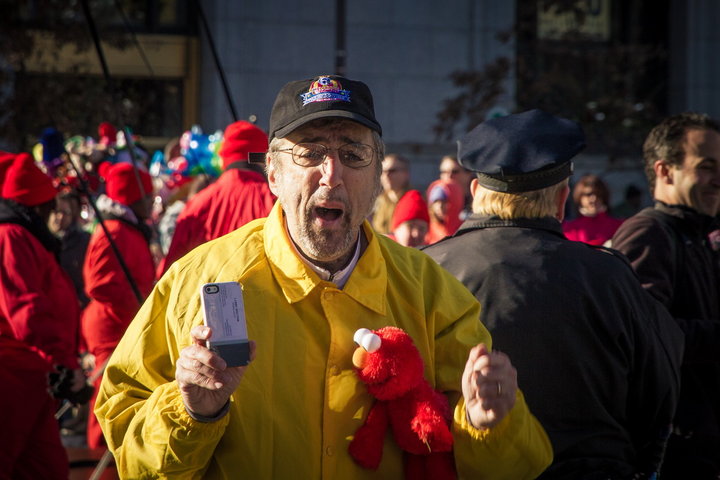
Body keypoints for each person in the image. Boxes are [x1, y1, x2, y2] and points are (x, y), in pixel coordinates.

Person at [95, 74, 552, 479]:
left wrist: (489, 424)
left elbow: (514, 466)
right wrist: (192, 410)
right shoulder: (195, 282)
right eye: (310, 154)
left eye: (353, 155)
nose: (330, 175)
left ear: (377, 178)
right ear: (272, 173)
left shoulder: (433, 294)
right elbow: (130, 451)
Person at [424, 110, 684, 479]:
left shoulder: (423, 271)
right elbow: (660, 396)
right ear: (563, 199)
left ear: (476, 191)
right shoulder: (610, 276)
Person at [611, 112, 720, 478]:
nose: (717, 180)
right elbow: (648, 338)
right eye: (706, 167)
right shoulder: (649, 233)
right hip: (675, 451)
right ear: (665, 170)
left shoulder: (699, 235)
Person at [0, 152, 85, 479]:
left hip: (33, 376)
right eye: (50, 206)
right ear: (36, 207)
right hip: (12, 376)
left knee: (45, 468)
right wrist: (63, 365)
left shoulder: (24, 238)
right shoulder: (13, 236)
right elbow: (27, 310)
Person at [82, 162, 156, 448]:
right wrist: (136, 310)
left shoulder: (129, 229)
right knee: (106, 404)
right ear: (133, 199)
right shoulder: (114, 230)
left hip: (122, 325)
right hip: (111, 327)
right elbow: (99, 283)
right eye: (148, 198)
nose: (152, 204)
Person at [159, 120, 276, 275]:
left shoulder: (196, 204)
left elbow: (171, 272)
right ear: (265, 159)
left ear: (224, 156)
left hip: (206, 294)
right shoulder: (276, 202)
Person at [49, 189, 91, 309]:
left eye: (65, 212)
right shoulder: (38, 242)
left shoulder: (84, 241)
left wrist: (82, 299)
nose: (60, 217)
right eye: (56, 211)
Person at [562, 174, 623, 245]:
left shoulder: (618, 226)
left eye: (598, 194)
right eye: (588, 194)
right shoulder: (570, 228)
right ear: (579, 197)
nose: (594, 199)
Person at [371, 153, 410, 235]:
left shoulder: (414, 200)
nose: (386, 175)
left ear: (406, 174)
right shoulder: (376, 201)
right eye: (383, 171)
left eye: (392, 171)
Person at [424, 178, 464, 244]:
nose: (440, 207)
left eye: (445, 201)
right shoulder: (425, 232)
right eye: (436, 201)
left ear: (456, 202)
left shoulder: (464, 232)